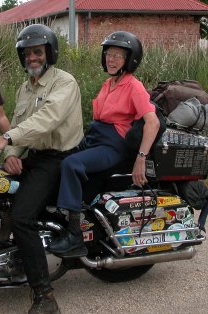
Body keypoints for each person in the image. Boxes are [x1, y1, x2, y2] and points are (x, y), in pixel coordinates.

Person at [0, 24, 83, 314]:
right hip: (36, 155)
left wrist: (7, 140)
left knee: (22, 216)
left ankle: (44, 296)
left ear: (49, 53)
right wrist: (11, 154)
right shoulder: (26, 87)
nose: (32, 58)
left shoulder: (64, 82)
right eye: (27, 53)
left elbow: (47, 119)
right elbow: (19, 124)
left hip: (59, 159)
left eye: (38, 52)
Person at [48, 31, 161, 257]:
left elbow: (153, 122)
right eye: (108, 54)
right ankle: (57, 219)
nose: (111, 59)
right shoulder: (108, 83)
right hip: (96, 138)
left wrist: (141, 159)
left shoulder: (133, 86)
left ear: (130, 59)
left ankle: (74, 236)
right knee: (55, 157)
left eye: (118, 55)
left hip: (114, 145)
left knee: (72, 164)